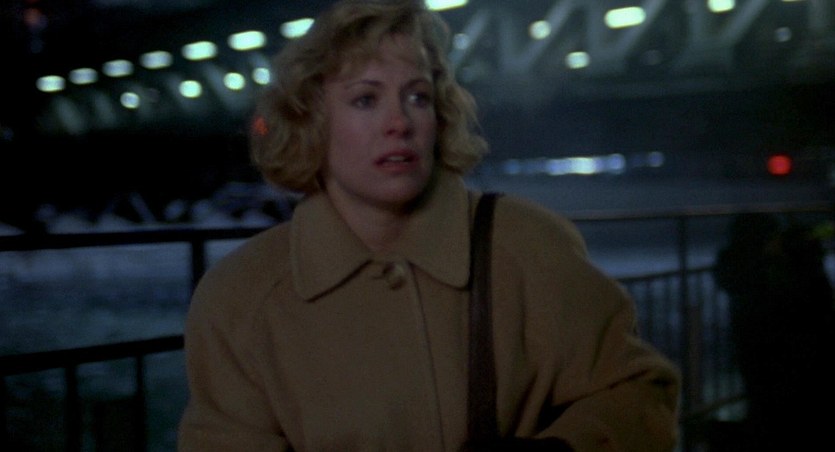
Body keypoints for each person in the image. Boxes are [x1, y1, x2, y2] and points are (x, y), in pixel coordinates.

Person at [177, 1, 681, 450]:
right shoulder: (240, 299)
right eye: (366, 99)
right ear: (313, 122)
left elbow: (638, 393)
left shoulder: (529, 245)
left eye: (417, 97)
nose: (399, 122)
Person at [714, 213, 835, 451]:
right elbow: (818, 315)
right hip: (791, 384)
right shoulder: (767, 278)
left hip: (772, 381)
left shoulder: (746, 272)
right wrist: (806, 260)